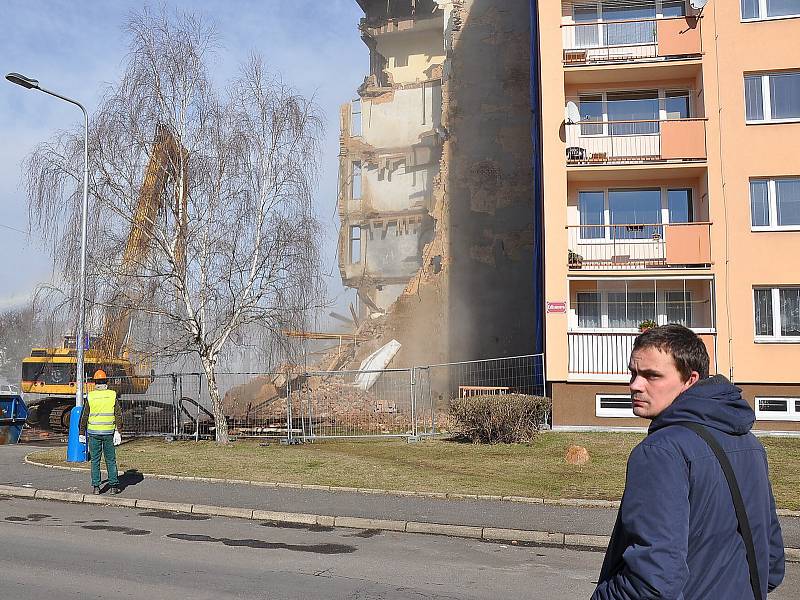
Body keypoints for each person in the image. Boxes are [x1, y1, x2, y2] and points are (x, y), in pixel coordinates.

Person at [591, 324, 784, 599]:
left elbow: (652, 583)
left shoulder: (661, 451)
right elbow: (772, 564)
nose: (635, 385)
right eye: (633, 373)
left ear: (690, 380)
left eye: (651, 376)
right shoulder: (750, 444)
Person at [79, 369, 123, 495]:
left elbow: (84, 416)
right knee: (110, 460)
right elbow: (118, 414)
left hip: (94, 434)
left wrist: (81, 432)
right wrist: (118, 431)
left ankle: (96, 487)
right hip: (109, 433)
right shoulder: (112, 395)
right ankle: (114, 486)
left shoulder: (91, 396)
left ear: (95, 383)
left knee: (95, 460)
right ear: (106, 382)